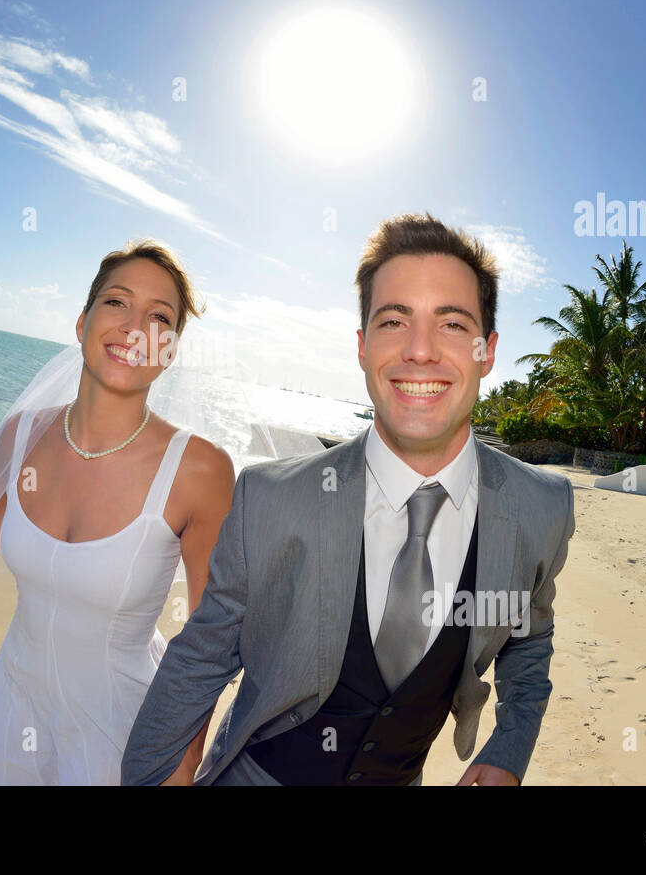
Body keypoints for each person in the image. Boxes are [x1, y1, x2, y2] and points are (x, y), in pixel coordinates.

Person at [122, 213, 576, 786]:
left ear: (487, 350)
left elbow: (528, 639)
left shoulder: (543, 508)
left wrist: (509, 748)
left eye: (452, 324)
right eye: (394, 321)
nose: (420, 351)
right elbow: (201, 659)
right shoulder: (270, 498)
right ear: (362, 347)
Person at [0, 239, 236, 785]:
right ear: (83, 320)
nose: (135, 329)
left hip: (125, 729)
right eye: (117, 303)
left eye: (160, 318)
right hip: (13, 710)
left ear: (171, 349)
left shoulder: (199, 470)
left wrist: (184, 760)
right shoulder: (24, 435)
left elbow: (210, 638)